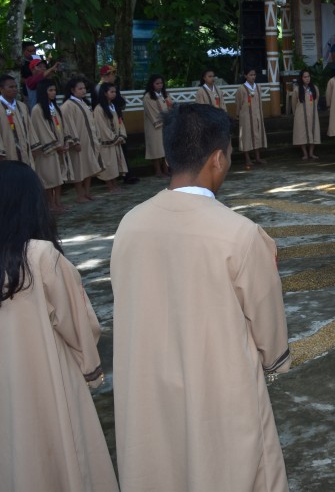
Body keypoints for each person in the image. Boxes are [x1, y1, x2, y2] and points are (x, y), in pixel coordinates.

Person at [111, 103, 291, 491]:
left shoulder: (130, 225)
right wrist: (275, 359)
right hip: (219, 389)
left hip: (148, 388)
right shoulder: (239, 234)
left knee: (161, 467)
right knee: (227, 468)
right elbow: (268, 326)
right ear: (218, 159)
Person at [0, 161, 119, 492]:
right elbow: (78, 323)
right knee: (61, 454)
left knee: (16, 455)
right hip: (47, 376)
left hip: (6, 384)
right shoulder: (41, 256)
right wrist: (89, 365)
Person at [29, 78, 71, 212]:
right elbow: (42, 130)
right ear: (43, 91)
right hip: (47, 151)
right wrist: (57, 145)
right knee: (49, 179)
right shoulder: (37, 109)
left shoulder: (54, 107)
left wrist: (65, 142)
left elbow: (62, 126)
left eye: (54, 90)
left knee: (58, 178)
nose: (53, 93)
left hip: (59, 148)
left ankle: (58, 203)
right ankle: (50, 204)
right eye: (50, 90)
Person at [61, 77, 103, 203]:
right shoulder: (68, 106)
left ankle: (87, 192)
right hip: (79, 142)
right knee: (79, 168)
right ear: (72, 90)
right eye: (80, 88)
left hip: (89, 140)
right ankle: (80, 194)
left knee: (89, 166)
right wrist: (75, 141)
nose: (83, 90)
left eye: (84, 88)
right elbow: (69, 125)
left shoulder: (84, 103)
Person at [92, 82, 128, 192]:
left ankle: (115, 184)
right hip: (107, 141)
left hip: (116, 139)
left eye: (115, 92)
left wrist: (121, 134)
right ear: (104, 93)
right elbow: (101, 125)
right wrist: (113, 137)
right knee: (108, 164)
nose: (114, 94)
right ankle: (110, 185)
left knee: (115, 163)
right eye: (111, 92)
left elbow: (119, 121)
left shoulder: (113, 106)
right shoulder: (99, 109)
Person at [0, 73, 35, 167]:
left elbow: (29, 128)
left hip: (26, 151)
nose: (14, 89)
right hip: (8, 152)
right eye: (10, 87)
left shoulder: (22, 106)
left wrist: (33, 146)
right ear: (1, 89)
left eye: (16, 86)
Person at [236, 67, 268, 170]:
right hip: (245, 116)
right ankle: (247, 158)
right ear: (245, 76)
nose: (253, 77)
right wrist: (238, 114)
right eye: (250, 75)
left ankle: (257, 157)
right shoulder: (241, 89)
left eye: (254, 75)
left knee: (257, 135)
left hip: (257, 115)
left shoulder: (258, 87)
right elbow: (239, 104)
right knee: (246, 136)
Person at [144, 74, 174, 177]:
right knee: (156, 149)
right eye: (157, 83)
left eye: (161, 83)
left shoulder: (165, 94)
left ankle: (166, 169)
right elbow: (152, 112)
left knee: (165, 147)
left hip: (166, 124)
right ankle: (158, 170)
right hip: (155, 126)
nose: (159, 85)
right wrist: (163, 120)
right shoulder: (148, 97)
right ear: (152, 84)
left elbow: (170, 106)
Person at [292, 69, 321, 160]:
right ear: (301, 78)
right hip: (301, 115)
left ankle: (311, 153)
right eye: (305, 77)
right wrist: (296, 114)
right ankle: (305, 153)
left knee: (313, 132)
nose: (307, 79)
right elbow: (293, 104)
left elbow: (317, 100)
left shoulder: (314, 88)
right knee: (302, 133)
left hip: (312, 114)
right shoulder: (297, 89)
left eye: (308, 77)